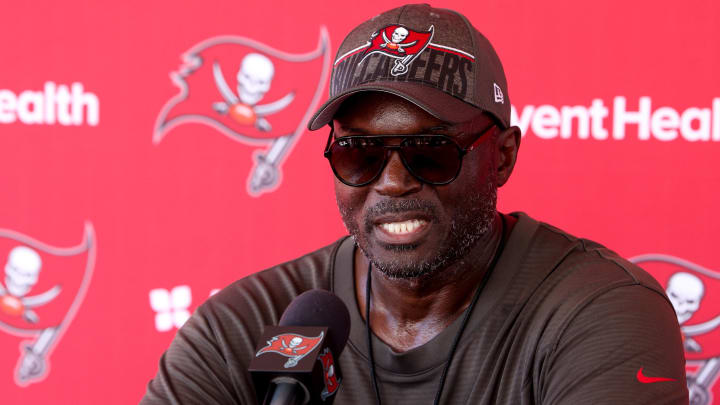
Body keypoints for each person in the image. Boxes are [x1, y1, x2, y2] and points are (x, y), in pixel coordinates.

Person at [141, 4, 688, 404]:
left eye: (430, 152)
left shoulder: (599, 312)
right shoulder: (246, 323)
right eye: (359, 152)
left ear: (501, 157)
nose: (393, 182)